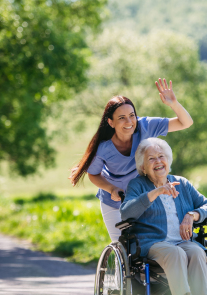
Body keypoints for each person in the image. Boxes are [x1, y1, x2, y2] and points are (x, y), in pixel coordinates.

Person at [120, 137, 207, 295]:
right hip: (153, 243)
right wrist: (155, 193)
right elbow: (126, 213)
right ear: (143, 166)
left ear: (168, 160)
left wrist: (192, 215)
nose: (158, 161)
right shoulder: (138, 185)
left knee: (198, 252)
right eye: (151, 158)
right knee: (175, 253)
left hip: (183, 242)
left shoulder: (182, 184)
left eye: (161, 156)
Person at [69, 79, 193, 242]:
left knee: (148, 245)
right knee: (123, 245)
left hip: (143, 199)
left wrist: (174, 104)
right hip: (114, 203)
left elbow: (186, 122)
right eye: (121, 118)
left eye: (132, 115)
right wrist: (112, 188)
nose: (129, 122)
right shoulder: (103, 147)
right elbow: (93, 174)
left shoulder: (145, 126)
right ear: (111, 122)